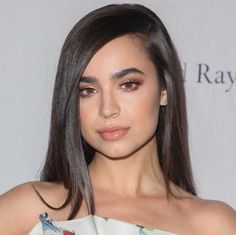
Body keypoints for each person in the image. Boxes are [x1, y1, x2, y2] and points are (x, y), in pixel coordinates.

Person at [0, 3, 235, 235]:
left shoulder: (212, 225)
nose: (107, 109)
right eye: (88, 91)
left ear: (164, 90)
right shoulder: (29, 210)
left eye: (128, 84)